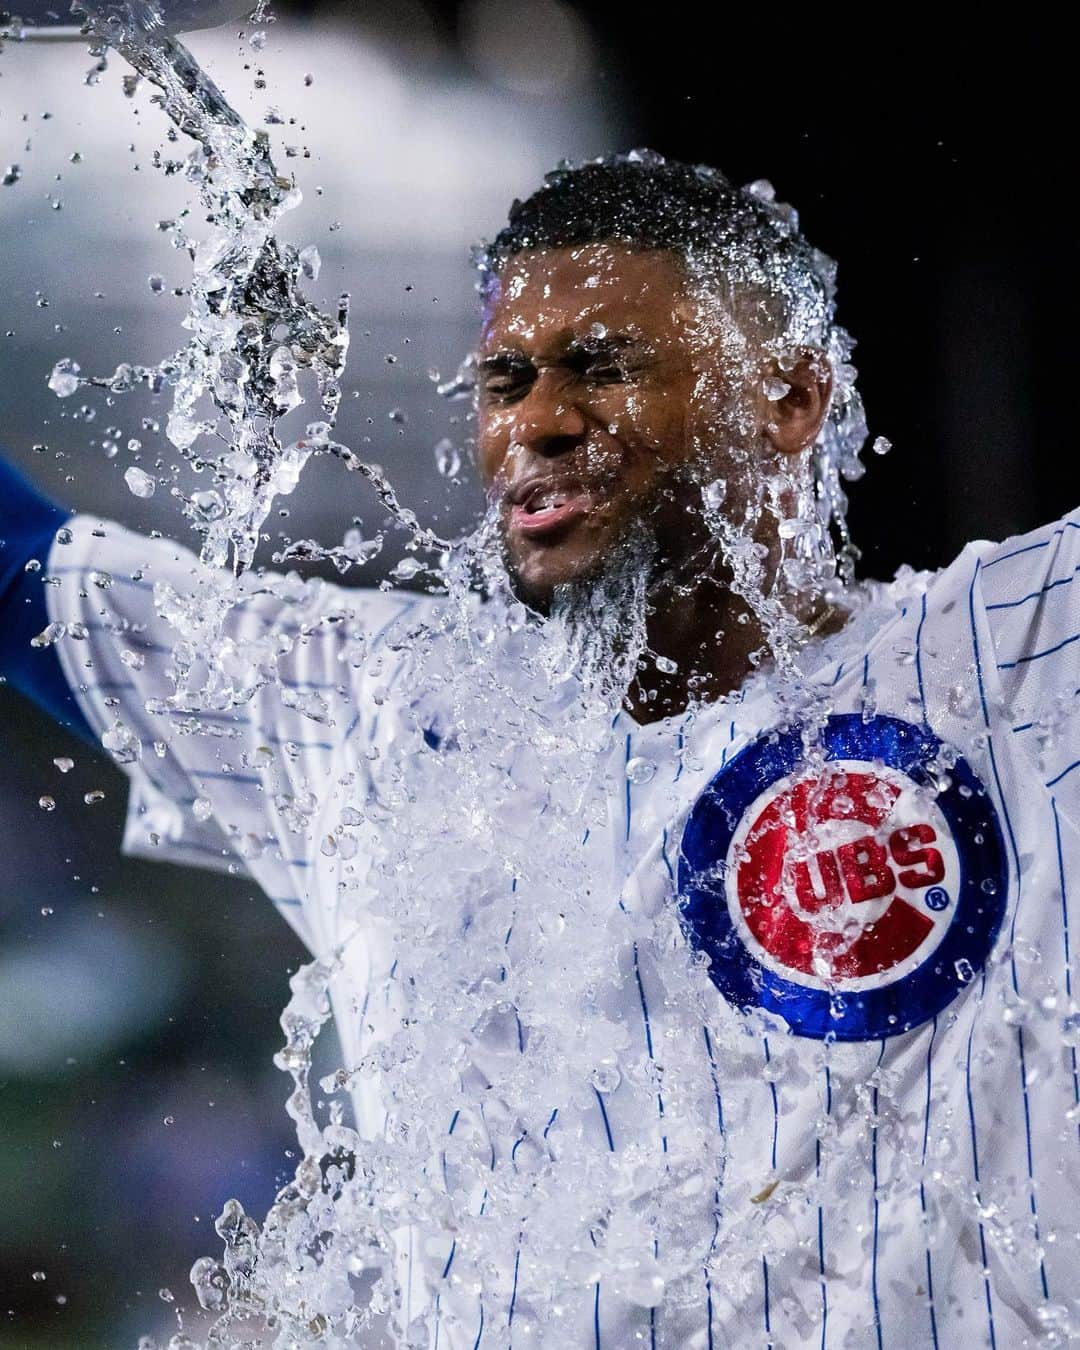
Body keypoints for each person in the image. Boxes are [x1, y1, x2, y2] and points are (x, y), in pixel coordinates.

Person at [3, 154, 1079, 1350]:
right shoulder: (387, 710)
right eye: (505, 378)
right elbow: (22, 572)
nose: (539, 421)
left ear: (790, 398)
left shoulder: (1011, 655)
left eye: (604, 367)